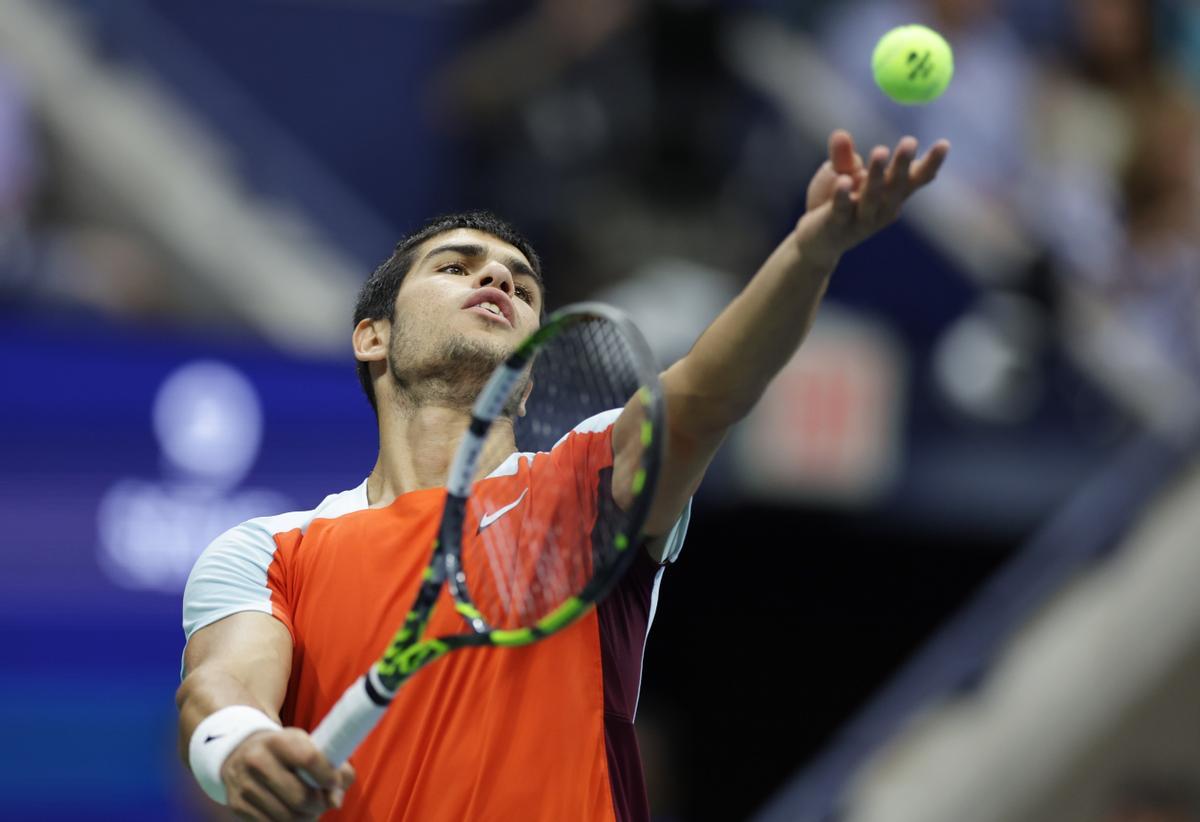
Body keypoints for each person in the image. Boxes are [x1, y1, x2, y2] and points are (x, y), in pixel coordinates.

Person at [176, 129, 948, 821]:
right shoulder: (272, 549)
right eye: (458, 266)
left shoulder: (582, 483)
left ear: (532, 375)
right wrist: (239, 746)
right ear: (372, 336)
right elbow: (227, 682)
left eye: (522, 285)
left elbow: (709, 396)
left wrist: (809, 254)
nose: (499, 283)